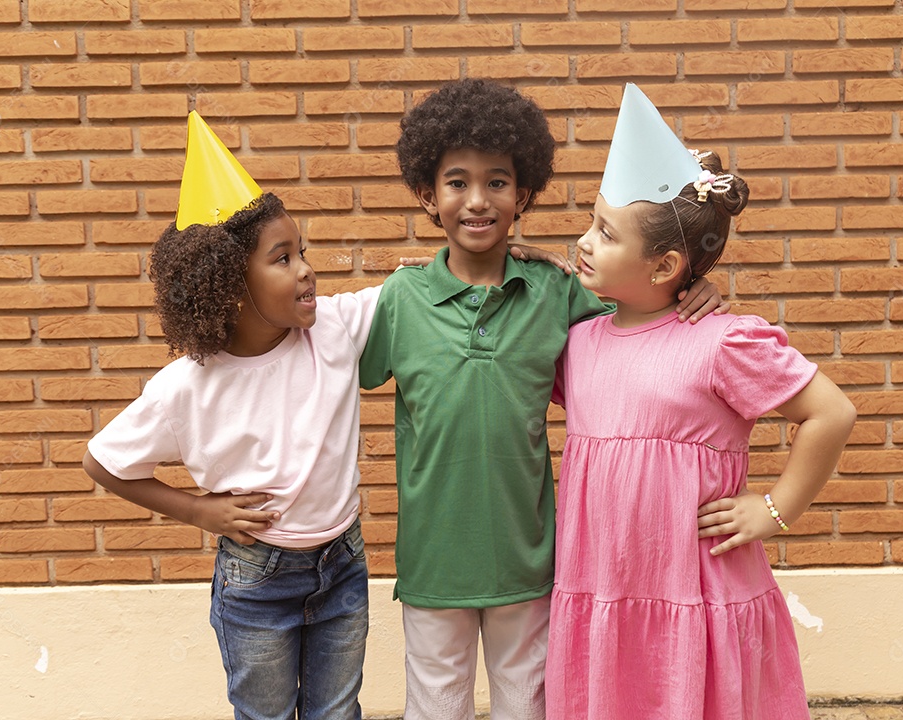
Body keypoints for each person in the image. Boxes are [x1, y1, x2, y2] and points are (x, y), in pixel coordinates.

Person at [357, 78, 728, 720]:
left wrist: (701, 288)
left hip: (531, 560)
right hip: (433, 560)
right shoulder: (399, 300)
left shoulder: (557, 293)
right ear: (427, 195)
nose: (477, 200)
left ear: (523, 192)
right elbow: (326, 368)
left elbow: (646, 297)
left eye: (497, 182)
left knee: (527, 703)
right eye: (456, 183)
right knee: (434, 704)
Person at [544, 84, 857, 720]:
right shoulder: (576, 340)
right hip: (602, 589)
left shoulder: (721, 341)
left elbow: (831, 412)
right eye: (591, 220)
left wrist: (776, 507)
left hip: (699, 591)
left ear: (663, 267)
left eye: (605, 232)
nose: (583, 240)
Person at [82, 112, 375, 720]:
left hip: (342, 564)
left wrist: (506, 257)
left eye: (302, 252)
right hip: (256, 580)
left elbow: (424, 287)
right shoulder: (187, 387)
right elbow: (103, 462)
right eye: (282, 258)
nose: (305, 269)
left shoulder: (335, 328)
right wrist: (197, 510)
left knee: (337, 713)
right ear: (231, 284)